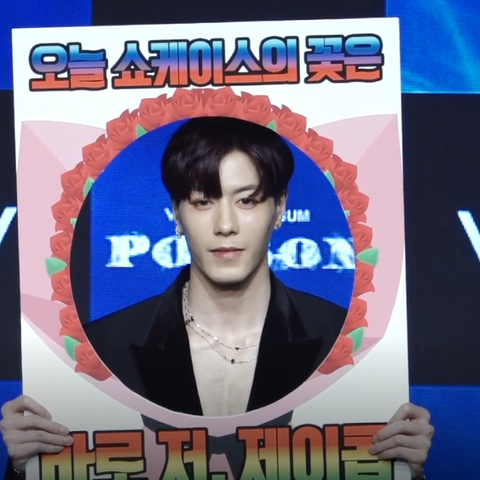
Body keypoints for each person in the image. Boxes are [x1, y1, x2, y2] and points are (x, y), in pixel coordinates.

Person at [1, 117, 434, 479]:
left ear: (280, 208)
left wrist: (405, 472)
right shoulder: (102, 345)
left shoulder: (347, 340)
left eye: (247, 200)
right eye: (204, 201)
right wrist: (26, 467)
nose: (226, 225)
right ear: (176, 213)